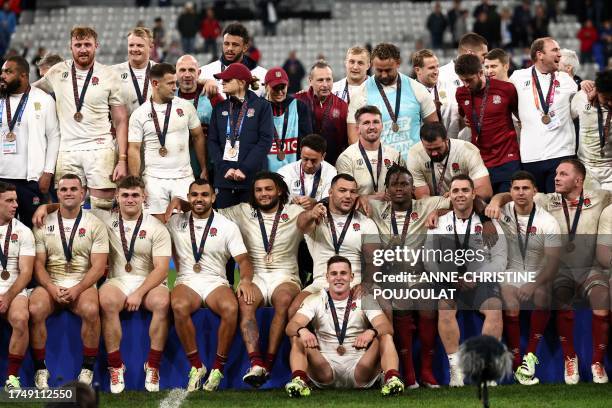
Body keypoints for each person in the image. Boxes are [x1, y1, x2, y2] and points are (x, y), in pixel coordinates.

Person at [486, 159, 611, 384]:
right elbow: (513, 195)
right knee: (560, 298)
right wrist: (496, 200)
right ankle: (569, 358)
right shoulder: (546, 198)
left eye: (563, 174)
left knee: (602, 301)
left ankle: (597, 362)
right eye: (556, 173)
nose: (556, 178)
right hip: (560, 270)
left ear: (578, 180)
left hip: (590, 268)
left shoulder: (601, 197)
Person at [218, 172, 304, 387]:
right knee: (245, 302)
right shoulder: (242, 211)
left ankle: (270, 363)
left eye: (268, 189)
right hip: (254, 276)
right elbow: (208, 211)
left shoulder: (295, 212)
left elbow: (321, 213)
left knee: (284, 300)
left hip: (285, 275)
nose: (263, 194)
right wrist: (181, 202)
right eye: (258, 190)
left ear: (279, 190)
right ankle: (256, 363)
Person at [168, 179, 255, 392]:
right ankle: (196, 366)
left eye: (205, 195)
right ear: (189, 198)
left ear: (213, 197)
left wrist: (244, 280)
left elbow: (244, 260)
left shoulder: (227, 226)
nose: (199, 199)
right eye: (195, 195)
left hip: (216, 280)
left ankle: (217, 368)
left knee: (231, 308)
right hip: (187, 279)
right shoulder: (174, 222)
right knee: (178, 305)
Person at [368, 165, 450, 388]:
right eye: (394, 184)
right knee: (401, 301)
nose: (399, 189)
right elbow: (355, 199)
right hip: (390, 275)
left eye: (404, 184)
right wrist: (371, 196)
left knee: (427, 306)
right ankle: (409, 371)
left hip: (419, 273)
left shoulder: (426, 205)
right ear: (387, 188)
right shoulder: (376, 208)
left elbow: (458, 201)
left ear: (413, 187)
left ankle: (426, 370)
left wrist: (437, 213)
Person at [33, 26, 128, 213]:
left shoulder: (109, 75)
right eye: (78, 45)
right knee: (67, 208)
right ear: (70, 47)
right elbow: (30, 91)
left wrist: (122, 159)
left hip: (100, 149)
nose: (83, 49)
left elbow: (121, 120)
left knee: (103, 210)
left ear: (96, 46)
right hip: (67, 149)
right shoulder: (57, 71)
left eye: (87, 44)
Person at [424, 174, 506, 387]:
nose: (460, 195)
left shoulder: (488, 222)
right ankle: (456, 369)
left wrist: (476, 276)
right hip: (449, 279)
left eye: (465, 190)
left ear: (473, 194)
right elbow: (429, 259)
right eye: (456, 191)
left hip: (479, 279)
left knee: (495, 309)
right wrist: (451, 276)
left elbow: (499, 259)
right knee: (445, 308)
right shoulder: (439, 222)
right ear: (449, 195)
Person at [29, 174, 109, 388]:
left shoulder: (95, 224)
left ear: (83, 194)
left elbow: (99, 266)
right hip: (51, 281)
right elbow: (38, 265)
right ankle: (40, 369)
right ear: (57, 193)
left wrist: (78, 288)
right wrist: (51, 287)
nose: (69, 193)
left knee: (92, 309)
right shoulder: (43, 223)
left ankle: (87, 368)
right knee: (35, 309)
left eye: (74, 189)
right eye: (64, 189)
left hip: (83, 282)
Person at [284, 255, 404, 397]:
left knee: (384, 335)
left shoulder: (364, 298)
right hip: (325, 369)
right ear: (327, 277)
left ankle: (392, 379)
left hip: (360, 368)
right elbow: (291, 326)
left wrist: (371, 331)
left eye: (343, 273)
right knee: (298, 335)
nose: (338, 278)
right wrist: (302, 329)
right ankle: (299, 381)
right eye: (334, 274)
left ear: (351, 277)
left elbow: (386, 326)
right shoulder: (315, 299)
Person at [494, 171, 561, 385]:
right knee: (511, 304)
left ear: (535, 191)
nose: (521, 192)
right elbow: (476, 202)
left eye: (525, 188)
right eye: (516, 188)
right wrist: (495, 200)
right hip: (510, 271)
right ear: (510, 191)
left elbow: (553, 262)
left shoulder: (547, 221)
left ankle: (529, 358)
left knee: (543, 295)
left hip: (537, 272)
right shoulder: (501, 212)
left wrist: (534, 282)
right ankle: (515, 363)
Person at [289, 174, 379, 316]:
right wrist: (311, 213)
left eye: (353, 191)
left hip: (353, 283)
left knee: (383, 306)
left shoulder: (367, 223)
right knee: (294, 309)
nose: (348, 195)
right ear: (330, 192)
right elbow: (301, 224)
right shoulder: (317, 217)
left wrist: (365, 284)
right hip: (321, 283)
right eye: (342, 190)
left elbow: (374, 261)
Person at [127, 63, 206, 221]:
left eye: (175, 83)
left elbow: (198, 137)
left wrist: (204, 168)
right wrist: (136, 182)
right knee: (157, 225)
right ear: (155, 84)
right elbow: (134, 149)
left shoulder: (185, 107)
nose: (175, 87)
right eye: (170, 83)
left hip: (183, 176)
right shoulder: (139, 114)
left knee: (186, 226)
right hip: (153, 179)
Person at [509, 37, 578, 193]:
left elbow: (577, 109)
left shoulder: (566, 80)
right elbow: (508, 104)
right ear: (539, 54)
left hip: (562, 153)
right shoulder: (518, 78)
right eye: (555, 50)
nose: (560, 54)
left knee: (558, 205)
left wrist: (587, 85)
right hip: (531, 155)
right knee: (536, 205)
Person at [347, 43, 438, 158]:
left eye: (388, 70)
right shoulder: (360, 93)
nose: (384, 75)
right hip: (379, 165)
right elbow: (353, 136)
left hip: (414, 164)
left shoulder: (417, 89)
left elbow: (434, 128)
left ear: (398, 63)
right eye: (379, 70)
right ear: (372, 65)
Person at [0, 56, 60, 228]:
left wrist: (48, 172)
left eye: (8, 72)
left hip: (30, 179)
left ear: (24, 76)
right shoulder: (1, 98)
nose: (3, 75)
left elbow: (54, 136)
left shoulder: (42, 99)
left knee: (33, 226)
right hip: (2, 177)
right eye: (2, 71)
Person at [207, 63, 273, 208]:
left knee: (252, 228)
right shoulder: (219, 108)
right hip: (224, 180)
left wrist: (244, 169)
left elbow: (265, 141)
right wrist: (225, 169)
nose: (222, 82)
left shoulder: (262, 106)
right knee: (225, 227)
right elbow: (212, 142)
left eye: (228, 79)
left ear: (242, 83)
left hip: (252, 180)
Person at [455, 53, 520, 193]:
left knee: (506, 206)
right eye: (462, 81)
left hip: (506, 158)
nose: (466, 85)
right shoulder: (461, 93)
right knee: (484, 208)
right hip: (479, 161)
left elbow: (519, 115)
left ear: (480, 73)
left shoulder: (506, 89)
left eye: (469, 80)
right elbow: (464, 116)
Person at [0, 182, 35, 391]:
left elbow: (26, 272)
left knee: (21, 318)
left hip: (14, 288)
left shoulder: (23, 231)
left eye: (15, 200)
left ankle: (12, 378)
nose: (15, 205)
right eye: (9, 201)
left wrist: (7, 296)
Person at [407, 122, 492, 200]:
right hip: (436, 208)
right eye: (429, 149)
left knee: (480, 203)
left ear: (446, 140)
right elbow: (423, 198)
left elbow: (485, 191)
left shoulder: (467, 150)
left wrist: (456, 196)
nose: (434, 154)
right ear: (422, 143)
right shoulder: (415, 154)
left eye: (438, 148)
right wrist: (445, 204)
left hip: (464, 203)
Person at [336, 106, 404, 198]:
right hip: (359, 211)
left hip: (390, 210)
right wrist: (374, 198)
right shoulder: (346, 158)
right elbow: (345, 196)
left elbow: (404, 189)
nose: (372, 127)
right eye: (366, 123)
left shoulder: (395, 155)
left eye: (376, 122)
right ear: (357, 128)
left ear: (382, 126)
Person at [175, 54, 223, 178]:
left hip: (209, 167)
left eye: (191, 70)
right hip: (177, 168)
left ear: (199, 72)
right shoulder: (169, 97)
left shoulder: (211, 95)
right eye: (182, 70)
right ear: (175, 73)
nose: (187, 74)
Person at [295, 61, 348, 165]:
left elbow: (345, 141)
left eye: (328, 80)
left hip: (332, 165)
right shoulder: (298, 101)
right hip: (302, 164)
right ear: (310, 81)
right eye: (320, 80)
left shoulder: (342, 106)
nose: (325, 84)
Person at [438, 33, 489, 140]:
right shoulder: (440, 75)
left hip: (478, 141)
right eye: (483, 55)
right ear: (470, 53)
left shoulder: (484, 75)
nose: (485, 59)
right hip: (449, 141)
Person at [263, 67, 313, 172]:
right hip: (266, 174)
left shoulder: (299, 106)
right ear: (266, 86)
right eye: (275, 87)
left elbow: (307, 140)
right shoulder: (258, 107)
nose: (280, 92)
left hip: (294, 173)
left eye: (283, 87)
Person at [199, 22, 267, 98]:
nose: (229, 48)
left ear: (245, 48)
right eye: (226, 44)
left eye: (235, 45)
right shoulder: (205, 72)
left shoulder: (262, 75)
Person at [571, 69, 612, 191]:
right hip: (586, 168)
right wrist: (582, 84)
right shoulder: (581, 98)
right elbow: (569, 118)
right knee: (590, 207)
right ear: (597, 91)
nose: (610, 102)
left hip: (610, 168)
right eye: (606, 99)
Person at [277, 133, 337, 208]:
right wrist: (290, 201)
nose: (309, 165)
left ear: (323, 156)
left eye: (313, 160)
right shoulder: (285, 172)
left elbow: (330, 199)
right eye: (305, 159)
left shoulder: (331, 171)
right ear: (300, 153)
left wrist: (315, 203)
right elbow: (278, 199)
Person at [112, 27, 155, 117]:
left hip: (154, 128)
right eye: (131, 45)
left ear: (151, 47)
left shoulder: (161, 72)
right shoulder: (113, 73)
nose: (134, 49)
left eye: (140, 45)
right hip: (123, 128)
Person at [412, 49, 456, 126]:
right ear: (418, 70)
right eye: (431, 68)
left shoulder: (448, 86)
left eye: (437, 67)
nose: (436, 71)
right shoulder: (409, 92)